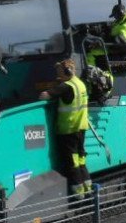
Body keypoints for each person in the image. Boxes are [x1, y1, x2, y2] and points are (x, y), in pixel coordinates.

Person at [39, 58, 91, 200]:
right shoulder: (80, 84)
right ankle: (89, 188)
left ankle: (78, 193)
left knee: (72, 162)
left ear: (67, 71)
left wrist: (52, 88)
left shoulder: (66, 86)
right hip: (81, 128)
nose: (58, 75)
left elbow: (43, 96)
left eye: (59, 72)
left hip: (68, 129)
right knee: (81, 159)